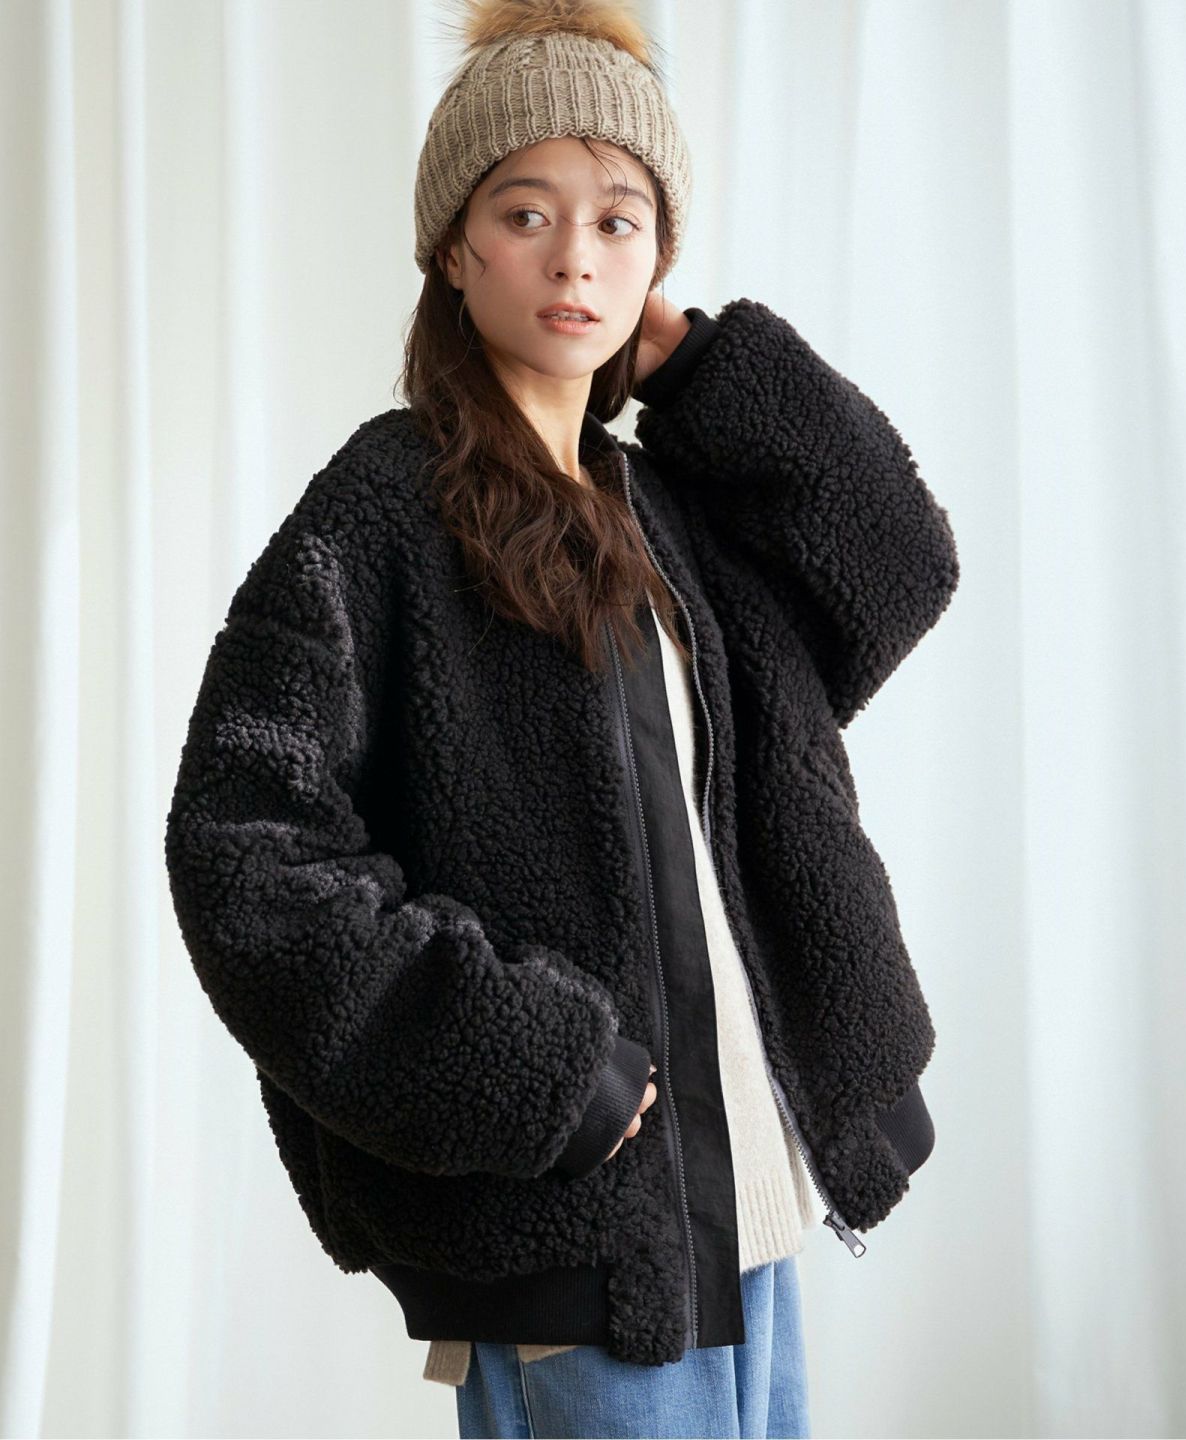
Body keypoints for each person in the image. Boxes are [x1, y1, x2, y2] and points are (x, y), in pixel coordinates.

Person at [163, 1, 959, 1436]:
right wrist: (530, 1064)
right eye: (525, 212)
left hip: (748, 1210)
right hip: (577, 1228)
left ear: (657, 257)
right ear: (455, 248)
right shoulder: (387, 510)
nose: (575, 257)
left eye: (617, 219)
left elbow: (895, 562)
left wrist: (699, 366)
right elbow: (246, 853)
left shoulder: (667, 513)